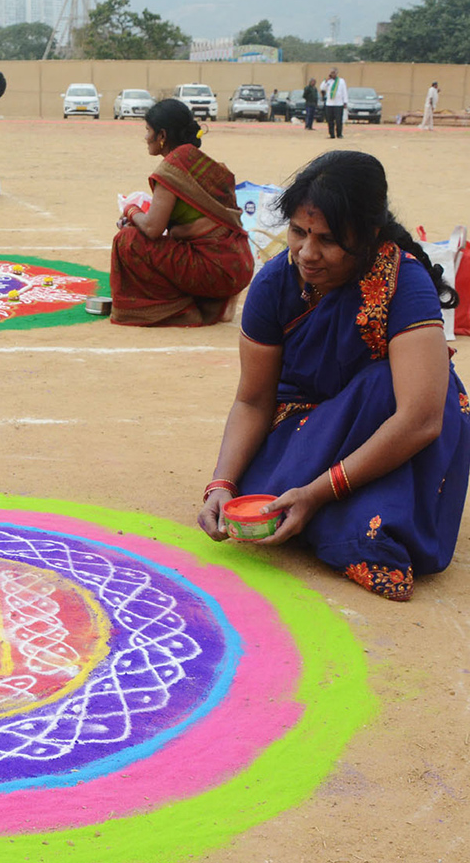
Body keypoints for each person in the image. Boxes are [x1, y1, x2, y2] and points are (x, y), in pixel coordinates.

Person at [198, 150, 470, 601]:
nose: (307, 253)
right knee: (272, 499)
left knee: (387, 387)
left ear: (368, 236)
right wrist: (221, 483)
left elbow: (420, 419)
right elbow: (252, 400)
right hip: (309, 432)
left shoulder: (405, 282)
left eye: (327, 239)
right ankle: (323, 512)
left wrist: (318, 492)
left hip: (396, 433)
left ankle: (329, 514)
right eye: (299, 232)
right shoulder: (274, 285)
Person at [110, 99, 254, 326]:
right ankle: (214, 304)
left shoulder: (173, 169)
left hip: (215, 269)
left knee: (126, 241)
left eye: (148, 131)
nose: (145, 137)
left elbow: (152, 228)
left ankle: (179, 312)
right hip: (239, 264)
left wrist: (130, 210)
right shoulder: (206, 164)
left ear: (162, 135)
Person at [319, 68, 348, 139]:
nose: (332, 74)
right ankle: (331, 134)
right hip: (329, 104)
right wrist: (326, 80)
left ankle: (339, 134)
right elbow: (322, 88)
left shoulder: (341, 81)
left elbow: (344, 92)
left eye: (334, 73)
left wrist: (345, 101)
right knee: (330, 120)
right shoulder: (328, 81)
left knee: (338, 120)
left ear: (336, 73)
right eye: (331, 73)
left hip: (339, 104)